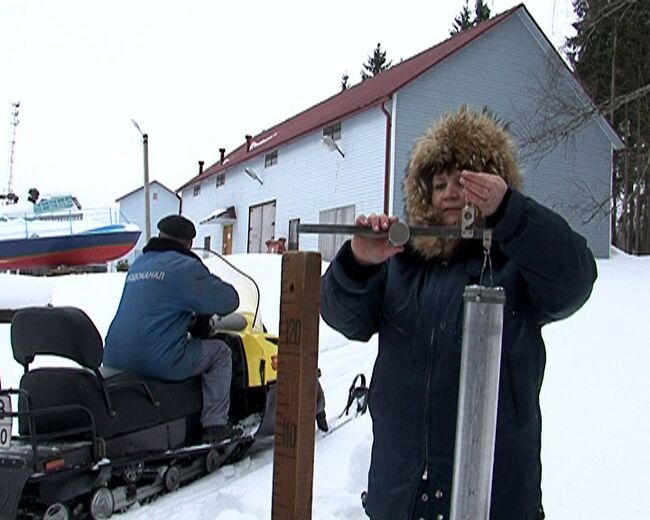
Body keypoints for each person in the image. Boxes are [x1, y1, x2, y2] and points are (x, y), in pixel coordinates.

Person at [320, 106, 597, 520]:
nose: (450, 193)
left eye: (465, 181)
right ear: (424, 195)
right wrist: (358, 262)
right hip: (401, 495)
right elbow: (344, 317)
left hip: (495, 495)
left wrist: (512, 214)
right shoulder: (401, 262)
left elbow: (574, 279)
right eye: (439, 183)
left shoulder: (516, 262)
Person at [104, 214, 244, 444]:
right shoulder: (185, 267)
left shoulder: (139, 264)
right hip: (156, 358)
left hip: (114, 356)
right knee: (221, 352)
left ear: (160, 236)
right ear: (188, 244)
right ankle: (216, 425)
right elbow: (229, 300)